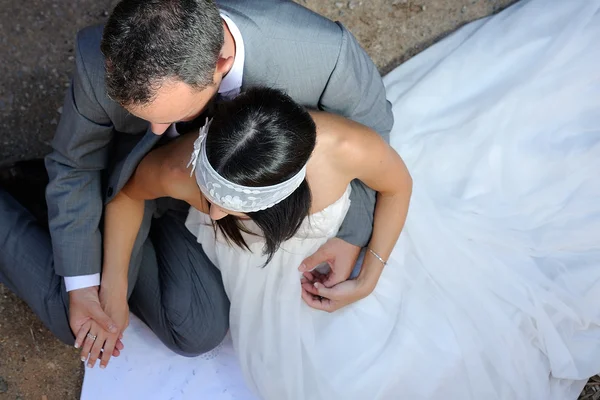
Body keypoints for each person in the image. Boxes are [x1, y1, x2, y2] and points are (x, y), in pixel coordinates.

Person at [82, 0, 600, 399]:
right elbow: (128, 195)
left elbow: (398, 185)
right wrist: (115, 285)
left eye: (222, 205)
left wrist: (369, 264)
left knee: (424, 360)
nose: (209, 214)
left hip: (337, 247)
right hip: (260, 281)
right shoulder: (184, 168)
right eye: (209, 198)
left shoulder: (346, 145)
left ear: (284, 190)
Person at [0, 0, 392, 367]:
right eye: (141, 116)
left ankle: (46, 200)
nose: (157, 130)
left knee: (197, 330)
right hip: (138, 185)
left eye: (175, 113)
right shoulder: (96, 58)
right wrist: (90, 286)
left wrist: (354, 235)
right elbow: (75, 164)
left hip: (200, 206)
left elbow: (373, 134)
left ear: (221, 62)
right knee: (75, 318)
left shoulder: (325, 55)